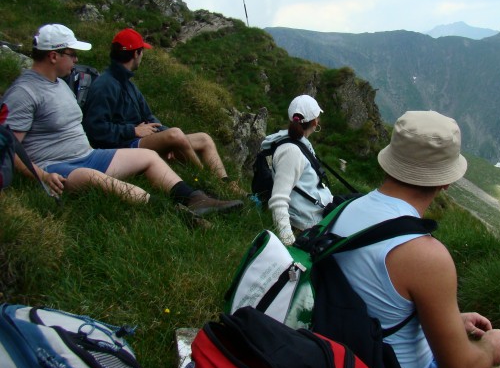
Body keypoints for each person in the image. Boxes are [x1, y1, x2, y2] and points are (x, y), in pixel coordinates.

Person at [331, 111, 500, 368]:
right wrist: (493, 347)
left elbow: (375, 303)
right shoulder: (424, 254)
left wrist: (448, 321)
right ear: (446, 181)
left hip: (349, 360)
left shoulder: (342, 211)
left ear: (389, 163)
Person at [2, 24, 242, 217]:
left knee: (149, 157)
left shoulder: (60, 84)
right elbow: (10, 146)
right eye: (72, 54)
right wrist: (43, 176)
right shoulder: (25, 92)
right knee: (92, 177)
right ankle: (173, 214)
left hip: (87, 155)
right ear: (53, 56)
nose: (76, 59)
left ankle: (195, 199)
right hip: (55, 165)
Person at [81, 28, 244, 195]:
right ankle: (206, 181)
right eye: (142, 51)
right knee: (175, 134)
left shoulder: (128, 84)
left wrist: (164, 138)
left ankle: (225, 183)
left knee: (204, 138)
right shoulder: (105, 85)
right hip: (122, 146)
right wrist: (133, 130)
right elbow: (94, 129)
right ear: (136, 53)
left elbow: (150, 117)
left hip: (140, 139)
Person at [261, 94, 334, 245]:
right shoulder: (291, 151)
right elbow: (279, 200)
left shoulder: (298, 142)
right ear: (315, 122)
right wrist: (289, 243)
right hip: (307, 224)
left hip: (313, 213)